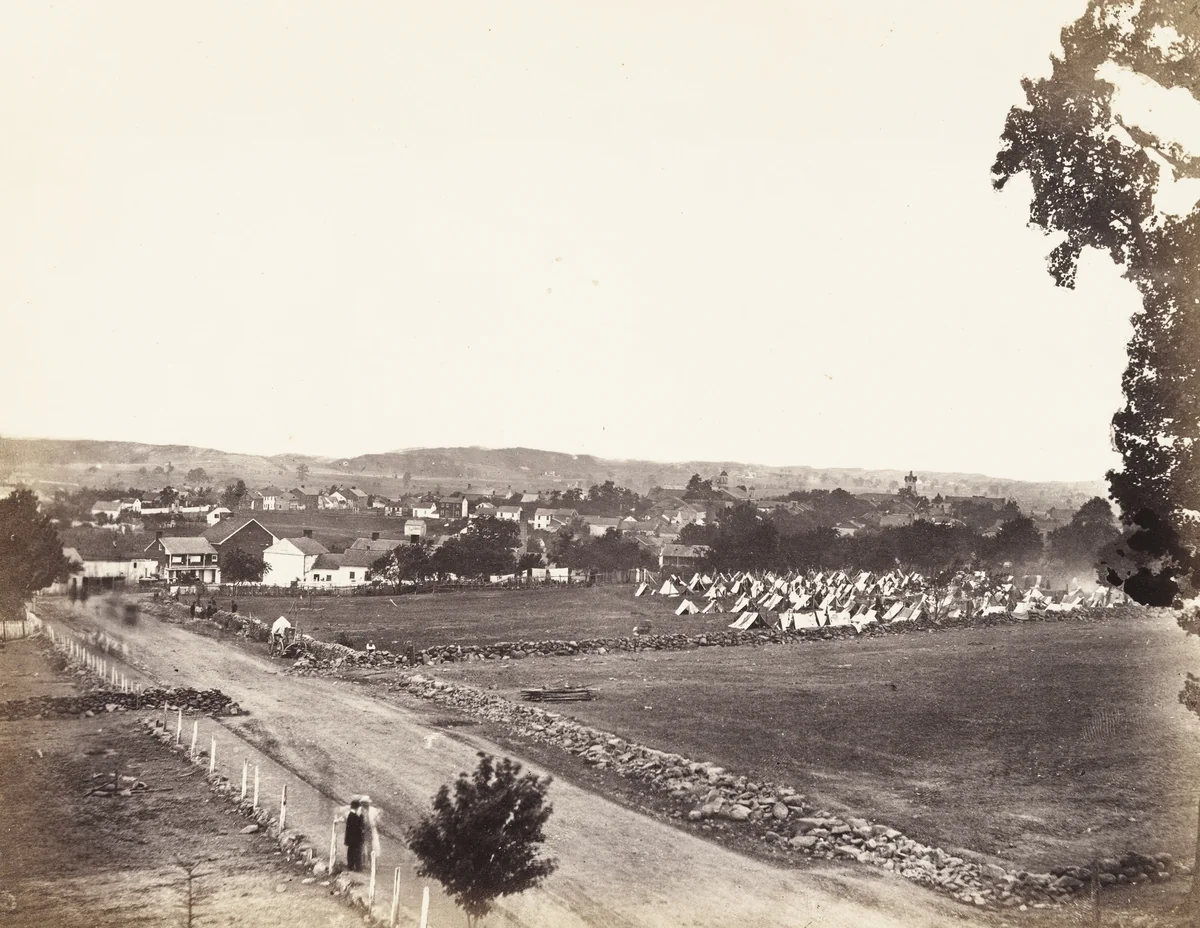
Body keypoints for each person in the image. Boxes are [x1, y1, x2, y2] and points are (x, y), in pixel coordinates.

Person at [341, 799, 364, 872]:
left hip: (351, 838)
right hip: (355, 839)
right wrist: (361, 816)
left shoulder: (351, 815)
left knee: (351, 852)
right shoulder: (354, 816)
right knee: (356, 852)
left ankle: (351, 866)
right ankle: (356, 867)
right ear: (357, 808)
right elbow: (359, 827)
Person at [358, 796, 380, 867]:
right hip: (361, 831)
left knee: (370, 847)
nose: (364, 805)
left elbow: (377, 821)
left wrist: (373, 824)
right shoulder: (359, 810)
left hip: (370, 830)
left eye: (366, 803)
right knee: (361, 847)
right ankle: (362, 863)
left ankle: (372, 863)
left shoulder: (373, 810)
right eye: (363, 803)